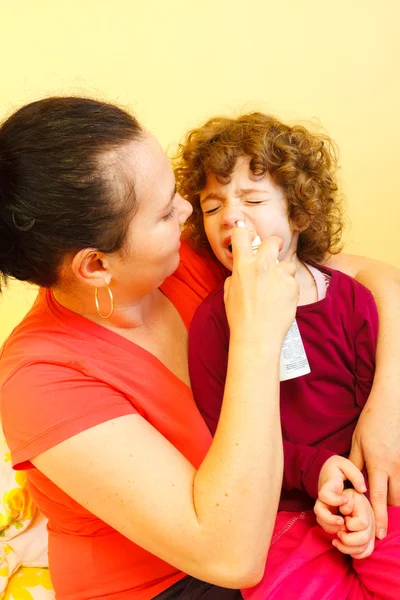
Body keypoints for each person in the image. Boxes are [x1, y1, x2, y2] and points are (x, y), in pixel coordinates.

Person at [0, 98, 398, 600]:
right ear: (97, 266)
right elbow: (231, 557)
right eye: (168, 211)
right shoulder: (40, 380)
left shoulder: (176, 257)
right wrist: (257, 335)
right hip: (179, 579)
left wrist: (387, 406)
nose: (191, 213)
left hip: (290, 510)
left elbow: (372, 278)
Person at [175, 112, 400, 598]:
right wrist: (315, 472)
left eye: (253, 199)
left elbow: (372, 418)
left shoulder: (352, 301)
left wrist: (352, 493)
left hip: (367, 490)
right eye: (213, 208)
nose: (231, 218)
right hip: (281, 509)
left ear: (298, 214)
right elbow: (223, 435)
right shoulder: (214, 324)